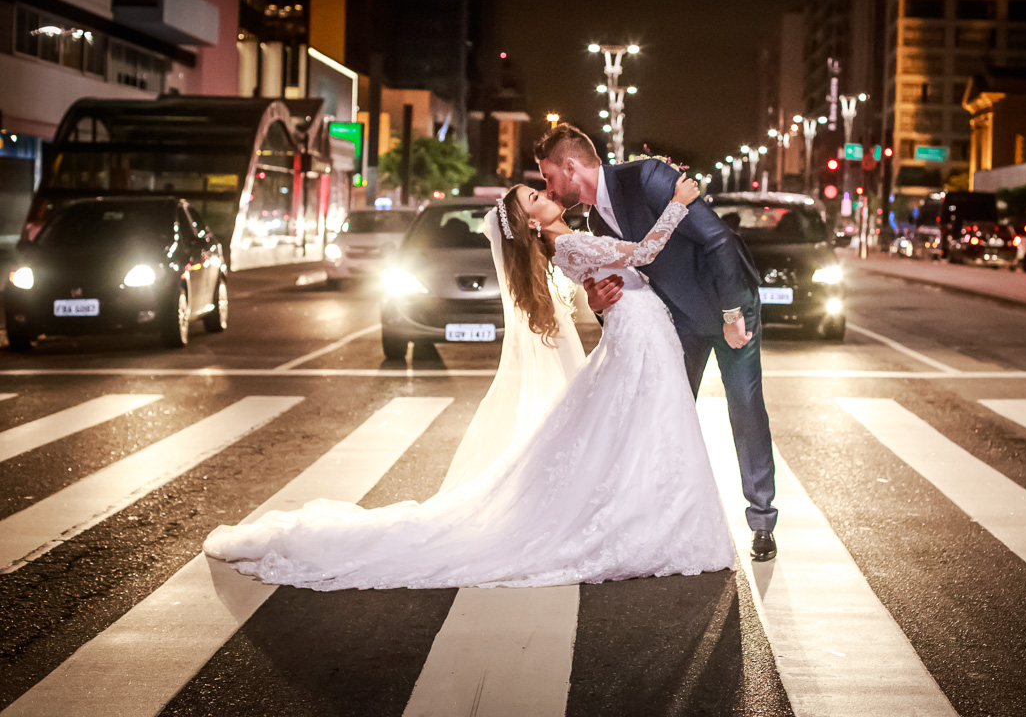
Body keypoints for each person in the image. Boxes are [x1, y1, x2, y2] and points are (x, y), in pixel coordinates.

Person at [203, 175, 735, 590]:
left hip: (642, 331)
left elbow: (622, 272)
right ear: (530, 225)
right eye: (534, 198)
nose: (546, 195)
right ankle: (657, 524)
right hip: (640, 335)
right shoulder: (569, 246)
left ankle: (658, 517)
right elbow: (642, 253)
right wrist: (679, 203)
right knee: (651, 423)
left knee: (649, 427)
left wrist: (602, 295)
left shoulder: (572, 241)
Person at [535, 124, 778, 561]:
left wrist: (730, 314)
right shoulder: (592, 219)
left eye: (549, 176)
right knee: (670, 411)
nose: (548, 186)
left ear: (570, 167)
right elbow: (626, 274)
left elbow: (718, 240)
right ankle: (670, 518)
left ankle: (762, 519)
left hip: (730, 303)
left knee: (744, 404)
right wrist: (597, 300)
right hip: (678, 317)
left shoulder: (647, 176)